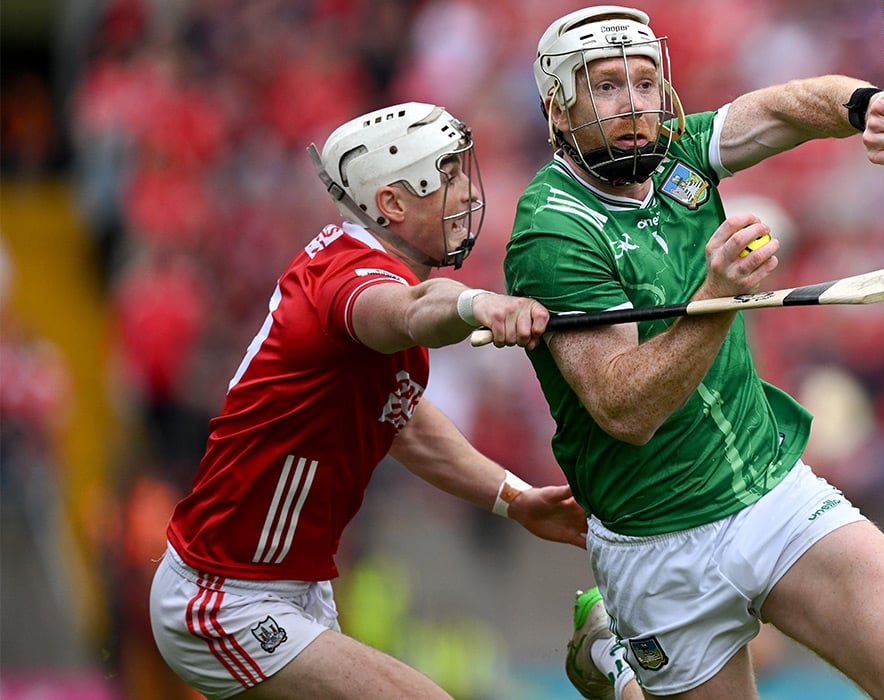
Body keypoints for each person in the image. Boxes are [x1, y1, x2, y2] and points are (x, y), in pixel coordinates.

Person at [503, 6, 884, 699]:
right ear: (558, 110)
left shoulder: (680, 152)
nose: (634, 105)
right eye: (607, 87)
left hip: (770, 490)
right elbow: (626, 410)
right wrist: (718, 296)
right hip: (657, 542)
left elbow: (781, 108)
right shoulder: (553, 233)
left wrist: (863, 107)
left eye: (645, 82)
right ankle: (617, 661)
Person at [148, 102, 588, 700]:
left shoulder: (362, 270)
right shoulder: (351, 280)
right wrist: (475, 303)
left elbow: (404, 422)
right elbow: (409, 311)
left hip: (289, 588)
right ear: (391, 204)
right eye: (447, 176)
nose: (465, 192)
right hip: (227, 595)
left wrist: (515, 499)